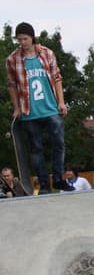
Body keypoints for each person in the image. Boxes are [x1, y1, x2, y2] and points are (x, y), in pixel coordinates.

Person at [5, 22, 73, 194]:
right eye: (19, 39)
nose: (22, 43)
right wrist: (16, 108)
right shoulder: (12, 59)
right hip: (29, 111)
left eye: (25, 39)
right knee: (36, 148)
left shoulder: (47, 53)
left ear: (32, 37)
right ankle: (44, 184)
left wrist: (61, 102)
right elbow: (11, 85)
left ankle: (58, 179)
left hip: (50, 108)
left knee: (59, 142)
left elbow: (57, 78)